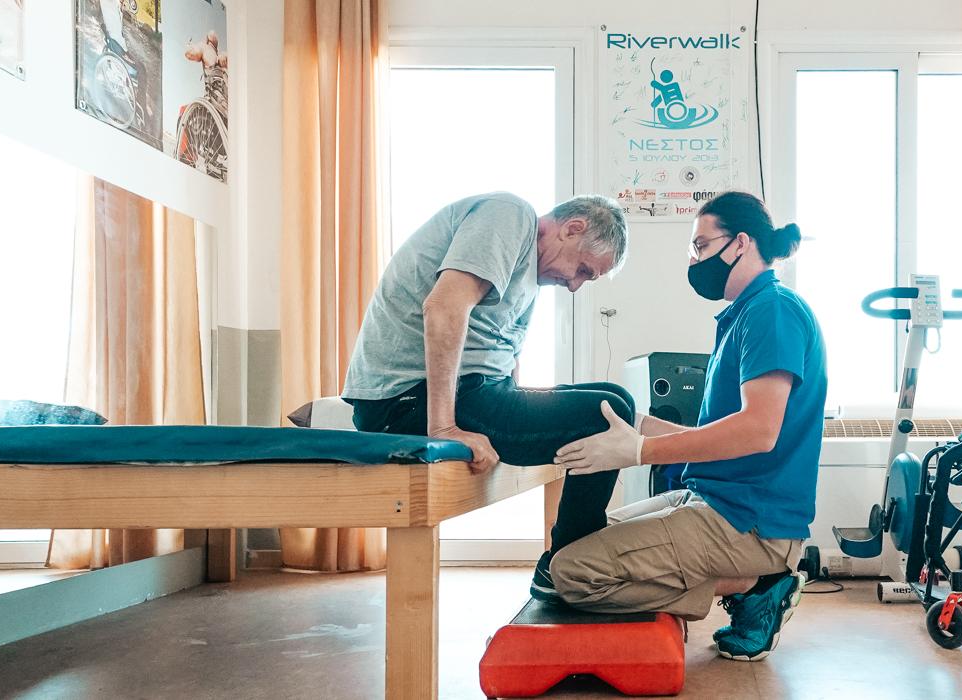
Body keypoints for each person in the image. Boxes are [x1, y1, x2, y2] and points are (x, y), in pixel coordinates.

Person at [549, 191, 826, 662]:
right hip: (712, 499)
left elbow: (758, 431)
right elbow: (714, 437)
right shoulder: (742, 315)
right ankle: (751, 585)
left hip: (749, 523)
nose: (694, 260)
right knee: (585, 541)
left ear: (740, 243)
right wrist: (634, 422)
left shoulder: (772, 311)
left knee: (572, 573)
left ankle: (758, 584)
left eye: (700, 246)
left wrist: (637, 451)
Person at [342, 192, 633, 599]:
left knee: (612, 397)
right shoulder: (510, 215)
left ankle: (569, 561)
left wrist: (522, 407)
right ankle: (570, 570)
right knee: (607, 414)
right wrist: (444, 426)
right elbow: (443, 307)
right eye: (582, 269)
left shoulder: (529, 272)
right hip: (406, 398)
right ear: (573, 228)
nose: (573, 285)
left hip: (472, 390)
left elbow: (504, 356)